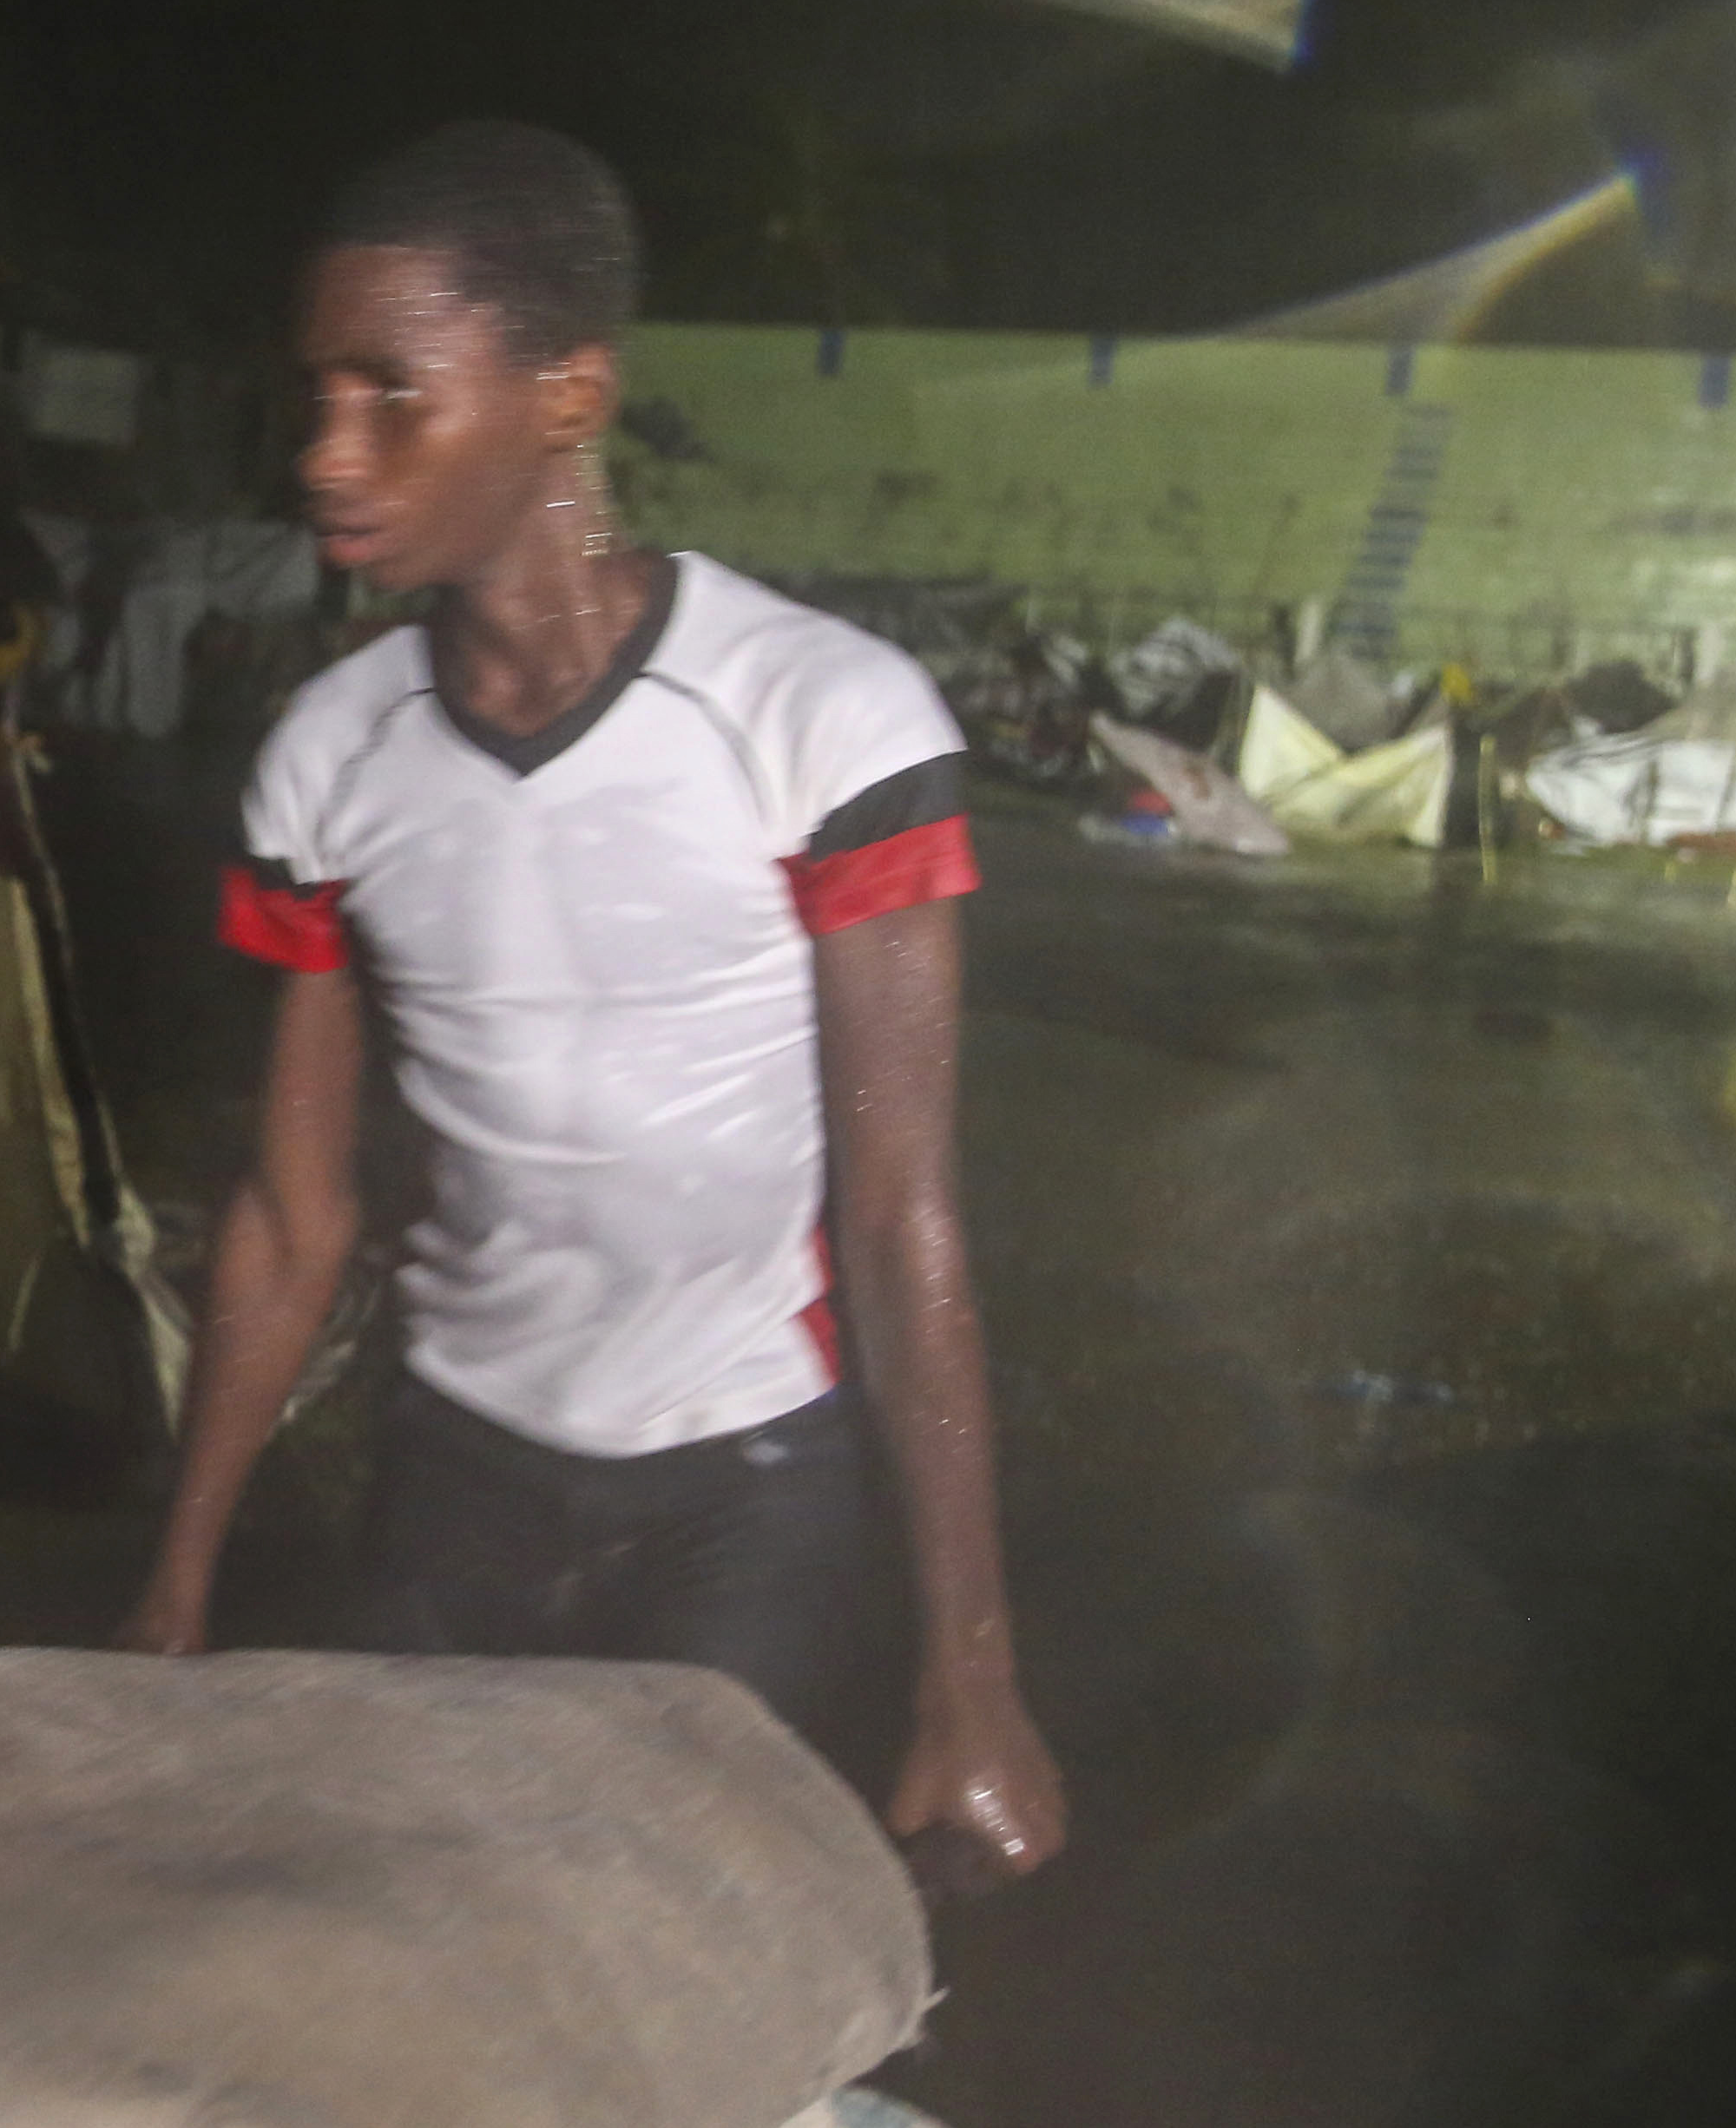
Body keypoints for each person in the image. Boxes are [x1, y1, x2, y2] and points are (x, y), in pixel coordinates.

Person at [118, 120, 1064, 1884]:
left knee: (655, 1958)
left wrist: (973, 1673)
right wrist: (176, 1584)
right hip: (451, 1476)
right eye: (313, 395)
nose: (327, 454)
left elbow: (902, 1213)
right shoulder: (330, 756)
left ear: (568, 398)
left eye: (391, 395)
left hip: (742, 1491)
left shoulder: (823, 721)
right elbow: (290, 1218)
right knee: (385, 1937)